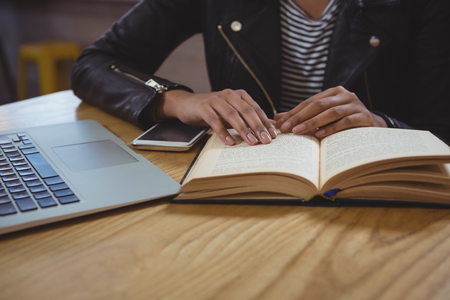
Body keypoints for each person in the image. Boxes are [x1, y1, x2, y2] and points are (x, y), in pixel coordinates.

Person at [71, 0, 450, 147]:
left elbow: (439, 128)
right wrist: (178, 100)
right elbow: (95, 63)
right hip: (247, 182)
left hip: (369, 193)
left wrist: (379, 123)